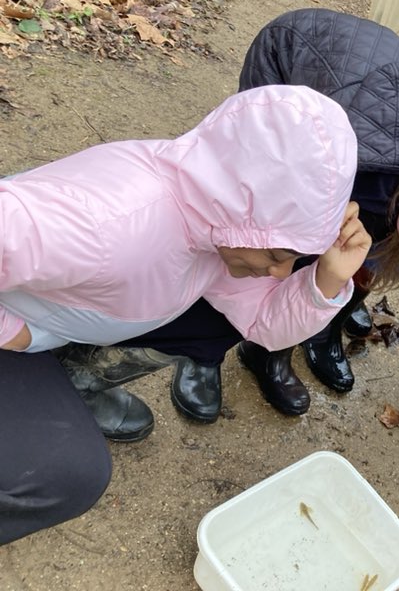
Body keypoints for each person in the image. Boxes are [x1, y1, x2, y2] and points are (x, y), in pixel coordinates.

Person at [0, 84, 371, 544]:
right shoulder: (112, 223)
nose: (279, 270)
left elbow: (261, 323)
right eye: (279, 252)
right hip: (17, 328)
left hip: (42, 326)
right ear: (244, 209)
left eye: (294, 258)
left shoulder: (211, 228)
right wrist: (14, 331)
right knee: (68, 474)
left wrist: (325, 281)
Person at [164, 10, 399, 438]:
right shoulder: (359, 160)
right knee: (260, 236)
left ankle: (266, 352)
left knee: (320, 255)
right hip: (287, 58)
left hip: (366, 105)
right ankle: (200, 354)